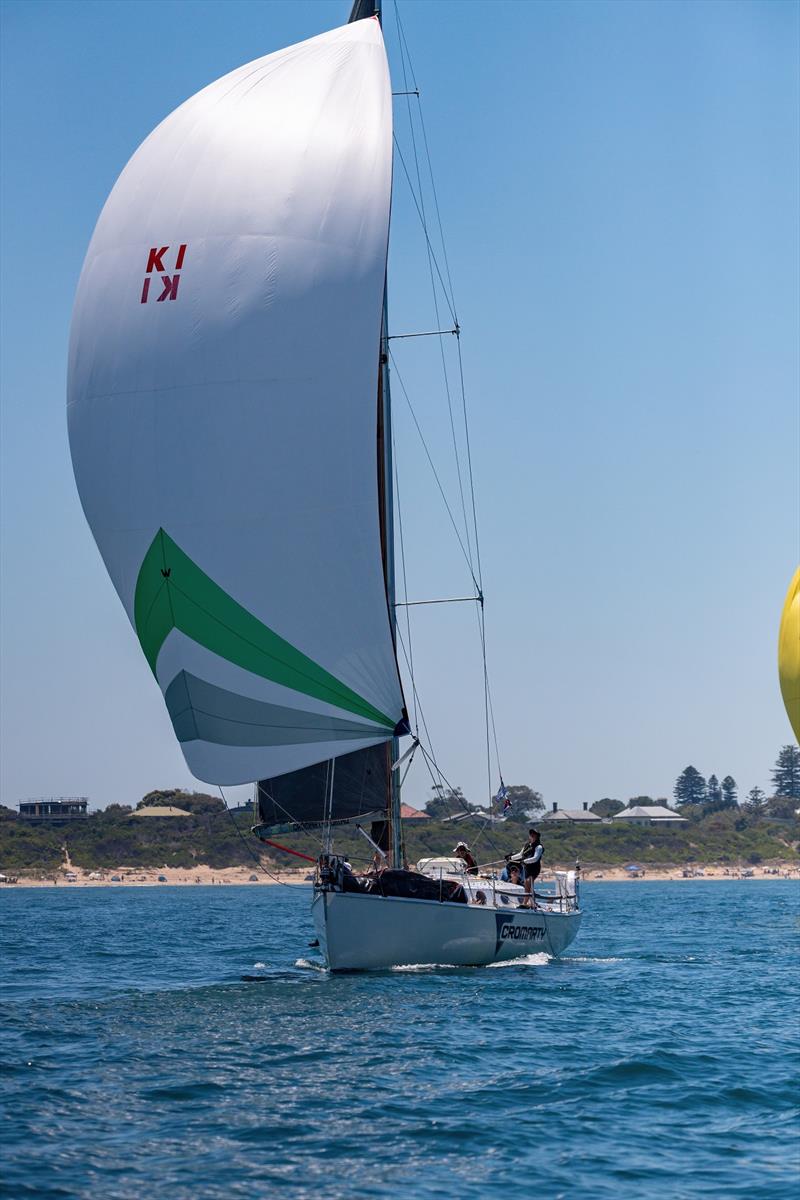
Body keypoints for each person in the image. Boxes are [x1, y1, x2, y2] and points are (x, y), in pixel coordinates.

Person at [518, 828, 543, 907]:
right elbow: (520, 855)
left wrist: (525, 861)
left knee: (529, 881)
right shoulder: (527, 845)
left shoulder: (539, 847)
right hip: (527, 868)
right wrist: (510, 858)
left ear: (537, 836)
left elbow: (535, 858)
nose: (532, 836)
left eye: (534, 835)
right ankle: (532, 903)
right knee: (526, 883)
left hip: (534, 868)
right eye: (531, 834)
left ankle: (525, 903)